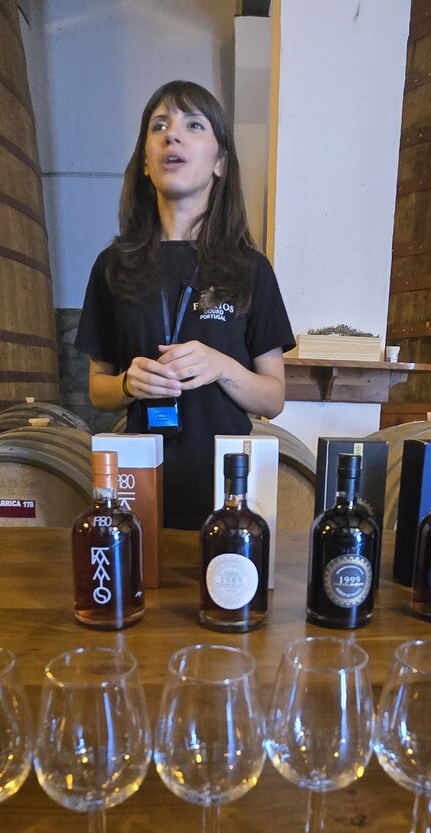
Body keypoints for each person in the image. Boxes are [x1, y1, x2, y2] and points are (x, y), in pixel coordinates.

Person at [78, 81, 293, 530]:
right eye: (159, 126)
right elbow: (98, 390)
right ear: (145, 161)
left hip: (229, 490)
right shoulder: (112, 265)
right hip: (140, 488)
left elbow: (273, 399)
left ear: (219, 163)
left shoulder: (250, 268)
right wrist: (128, 383)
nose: (172, 135)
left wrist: (221, 366)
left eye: (193, 125)